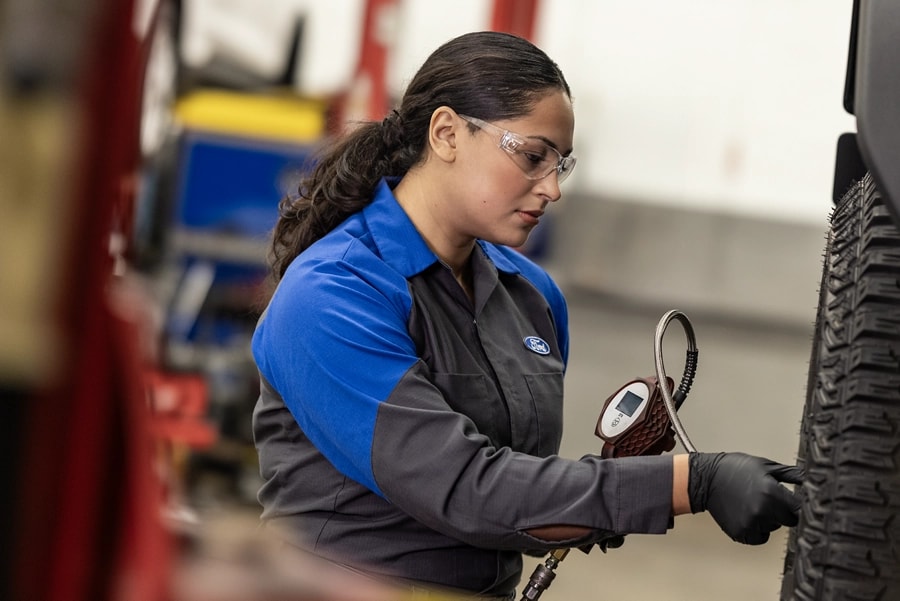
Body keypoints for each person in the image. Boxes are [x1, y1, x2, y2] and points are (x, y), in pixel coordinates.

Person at [251, 30, 802, 599]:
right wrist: (693, 482)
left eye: (561, 163)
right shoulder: (334, 294)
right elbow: (468, 490)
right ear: (446, 134)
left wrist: (611, 483)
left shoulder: (531, 295)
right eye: (533, 156)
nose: (553, 188)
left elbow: (518, 486)